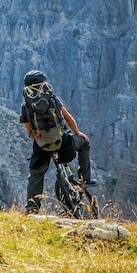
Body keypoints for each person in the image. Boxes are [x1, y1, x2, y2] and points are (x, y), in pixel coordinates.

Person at [19, 70, 97, 214]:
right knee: (84, 144)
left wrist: (42, 141)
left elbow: (30, 134)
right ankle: (84, 180)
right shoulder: (52, 99)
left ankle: (32, 210)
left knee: (36, 175)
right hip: (63, 145)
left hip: (42, 149)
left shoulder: (26, 107)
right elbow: (67, 117)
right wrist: (77, 133)